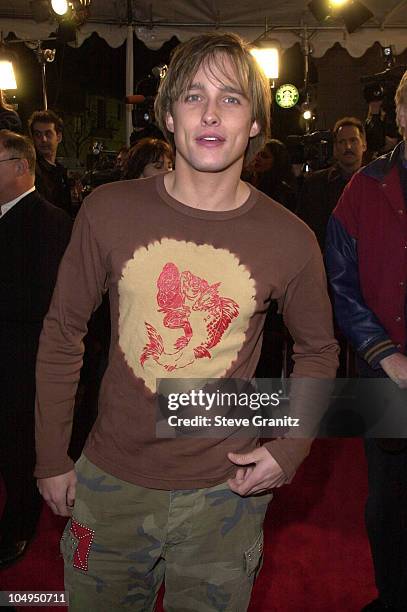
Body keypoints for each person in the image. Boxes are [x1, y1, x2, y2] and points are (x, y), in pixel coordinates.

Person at [35, 32, 338, 611]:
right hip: (110, 481)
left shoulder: (291, 239)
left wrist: (291, 447)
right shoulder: (108, 210)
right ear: (168, 114)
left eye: (231, 98)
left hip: (225, 492)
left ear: (254, 122)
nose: (209, 112)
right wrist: (50, 456)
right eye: (193, 95)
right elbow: (62, 334)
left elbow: (319, 351)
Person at [326, 70, 407, 612]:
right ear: (401, 114)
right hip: (384, 376)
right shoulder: (364, 187)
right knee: (386, 505)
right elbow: (340, 280)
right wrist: (385, 353)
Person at [0, 130, 71, 569]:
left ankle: (20, 523)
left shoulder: (49, 221)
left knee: (18, 443)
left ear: (20, 166)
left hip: (21, 358)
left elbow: (47, 302)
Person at [298, 116, 367, 250]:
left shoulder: (376, 185)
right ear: (335, 148)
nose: (348, 147)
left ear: (364, 144)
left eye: (353, 140)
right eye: (342, 142)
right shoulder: (315, 184)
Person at [28, 109, 72, 216]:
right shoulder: (31, 171)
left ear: (59, 137)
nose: (43, 139)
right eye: (38, 135)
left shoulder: (59, 171)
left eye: (48, 134)